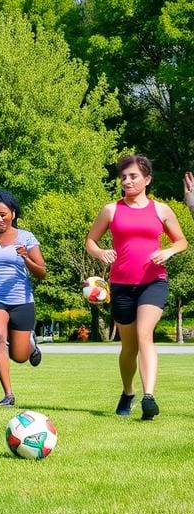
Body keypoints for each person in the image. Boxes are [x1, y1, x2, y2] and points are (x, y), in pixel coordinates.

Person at [86, 155, 187, 419]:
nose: (127, 181)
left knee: (145, 335)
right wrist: (100, 253)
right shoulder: (111, 210)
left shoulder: (161, 210)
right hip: (121, 285)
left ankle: (149, 397)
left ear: (147, 180)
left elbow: (181, 242)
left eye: (133, 176)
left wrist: (167, 251)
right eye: (124, 177)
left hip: (153, 281)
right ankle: (128, 391)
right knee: (129, 347)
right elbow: (91, 241)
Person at [0, 189, 47, 407]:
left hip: (22, 300)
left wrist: (26, 257)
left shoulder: (26, 238)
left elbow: (42, 272)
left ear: (13, 214)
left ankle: (31, 346)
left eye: (3, 214)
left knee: (20, 356)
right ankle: (8, 394)